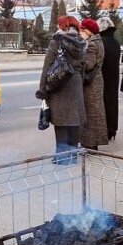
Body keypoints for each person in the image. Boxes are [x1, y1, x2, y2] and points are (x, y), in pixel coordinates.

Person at [37, 15, 87, 163]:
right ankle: (72, 156)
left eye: (59, 25)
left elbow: (48, 65)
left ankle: (62, 158)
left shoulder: (57, 41)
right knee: (73, 121)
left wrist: (43, 89)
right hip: (75, 83)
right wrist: (80, 83)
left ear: (63, 26)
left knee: (60, 121)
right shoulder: (82, 42)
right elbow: (84, 66)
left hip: (59, 83)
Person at [78, 19, 108, 149]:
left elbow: (89, 65)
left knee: (90, 113)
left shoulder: (91, 44)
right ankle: (93, 142)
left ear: (88, 31)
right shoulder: (98, 41)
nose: (80, 33)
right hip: (96, 80)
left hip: (91, 83)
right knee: (95, 112)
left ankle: (90, 143)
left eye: (82, 30)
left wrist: (78, 59)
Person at [98, 17, 121, 141]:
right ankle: (112, 129)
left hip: (102, 76)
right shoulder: (115, 42)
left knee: (103, 104)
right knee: (112, 103)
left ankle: (105, 129)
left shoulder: (100, 41)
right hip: (113, 76)